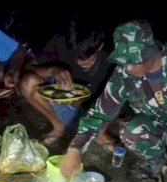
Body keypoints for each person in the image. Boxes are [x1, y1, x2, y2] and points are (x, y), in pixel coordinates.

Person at [59, 19, 167, 179]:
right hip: (160, 128)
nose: (128, 68)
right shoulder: (123, 74)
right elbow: (99, 114)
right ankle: (157, 157)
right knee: (131, 132)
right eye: (124, 62)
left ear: (150, 52)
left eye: (133, 61)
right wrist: (74, 150)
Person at [18, 18, 117, 148]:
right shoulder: (62, 41)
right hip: (59, 105)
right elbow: (28, 67)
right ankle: (58, 127)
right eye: (76, 57)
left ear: (100, 46)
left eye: (88, 58)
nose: (80, 63)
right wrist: (51, 70)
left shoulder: (112, 56)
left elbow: (120, 96)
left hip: (91, 115)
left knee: (120, 91)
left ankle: (100, 134)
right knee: (27, 81)